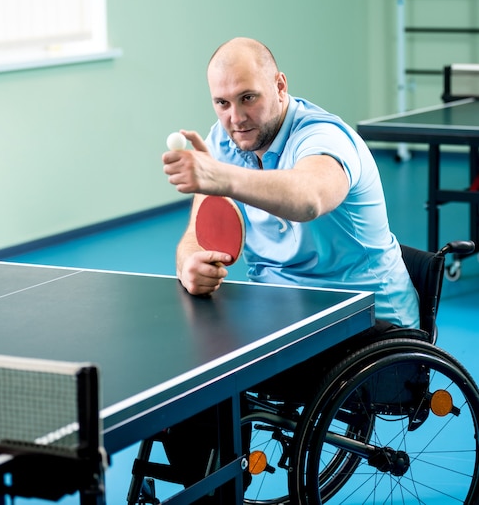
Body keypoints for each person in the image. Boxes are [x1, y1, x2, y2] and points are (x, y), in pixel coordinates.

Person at [160, 36, 419, 502]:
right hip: (282, 317)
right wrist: (189, 264)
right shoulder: (224, 139)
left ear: (280, 86)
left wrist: (219, 175)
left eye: (248, 98)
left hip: (365, 325)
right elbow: (197, 233)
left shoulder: (323, 137)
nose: (235, 117)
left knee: (210, 383)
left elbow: (307, 196)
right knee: (178, 370)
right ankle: (207, 491)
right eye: (222, 102)